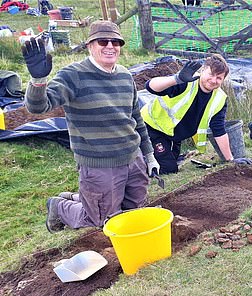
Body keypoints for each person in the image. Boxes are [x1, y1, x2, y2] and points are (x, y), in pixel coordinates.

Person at [22, 21, 159, 232]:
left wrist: (148, 155)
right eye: (103, 41)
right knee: (102, 221)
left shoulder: (124, 75)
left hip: (134, 159)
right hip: (100, 164)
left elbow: (136, 119)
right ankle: (59, 207)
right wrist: (38, 80)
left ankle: (81, 198)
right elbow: (38, 107)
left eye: (116, 41)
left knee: (134, 212)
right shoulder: (73, 75)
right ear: (90, 45)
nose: (110, 46)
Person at [141, 54, 251, 174]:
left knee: (172, 163)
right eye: (211, 74)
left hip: (174, 135)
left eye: (219, 78)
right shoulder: (186, 82)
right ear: (203, 71)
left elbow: (219, 130)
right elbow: (150, 87)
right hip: (152, 127)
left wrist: (230, 160)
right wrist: (176, 79)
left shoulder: (219, 98)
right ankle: (138, 159)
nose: (214, 80)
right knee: (167, 169)